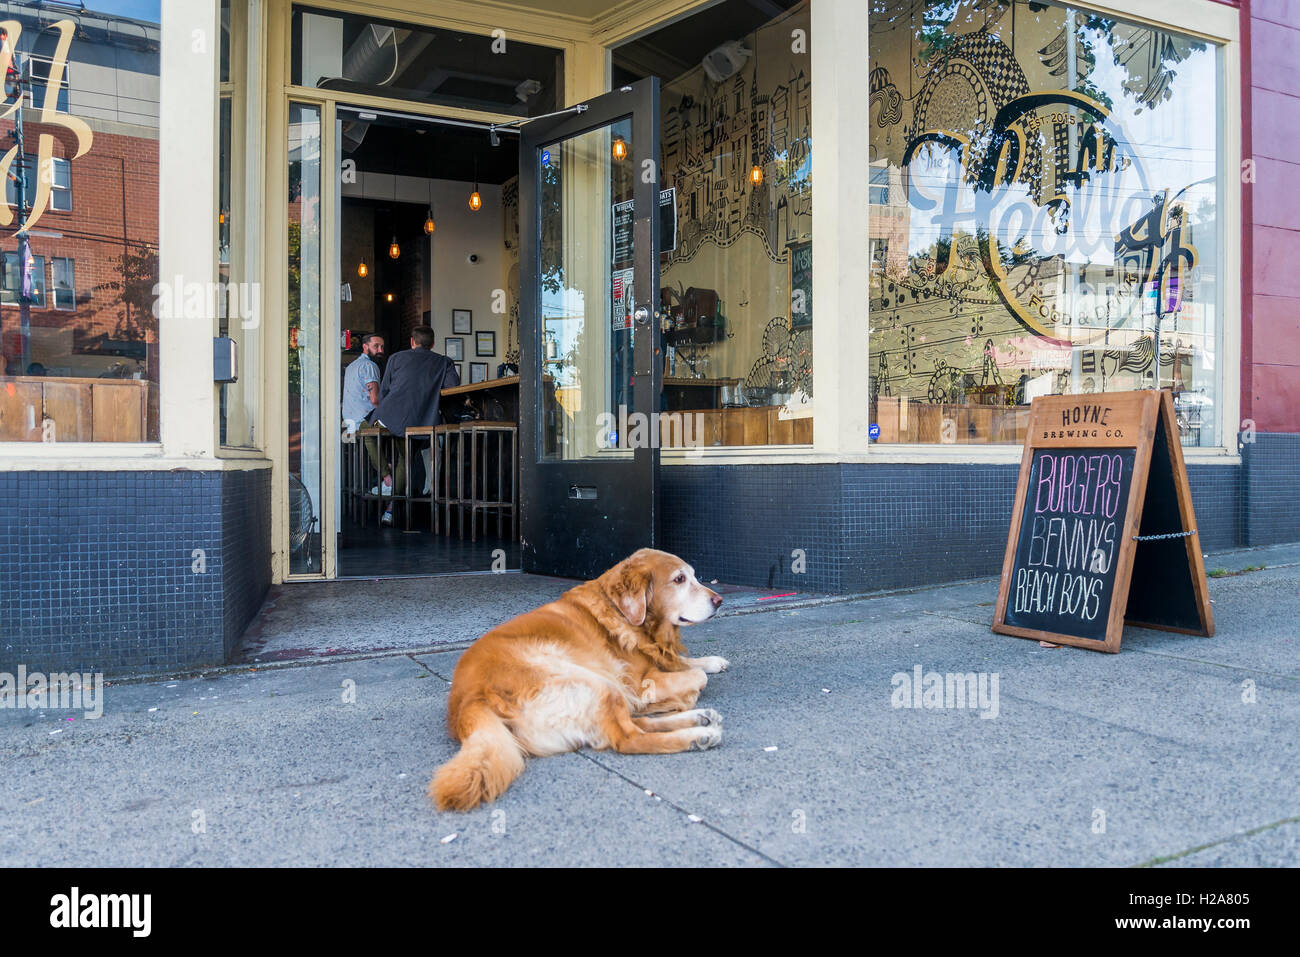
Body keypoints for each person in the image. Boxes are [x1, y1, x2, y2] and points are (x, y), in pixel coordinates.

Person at [369, 325, 460, 525]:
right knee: (405, 459)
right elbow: (453, 388)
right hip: (421, 422)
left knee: (366, 432)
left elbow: (383, 391)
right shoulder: (444, 362)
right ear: (433, 344)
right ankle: (390, 510)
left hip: (389, 417)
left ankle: (385, 477)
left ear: (412, 342)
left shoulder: (396, 358)